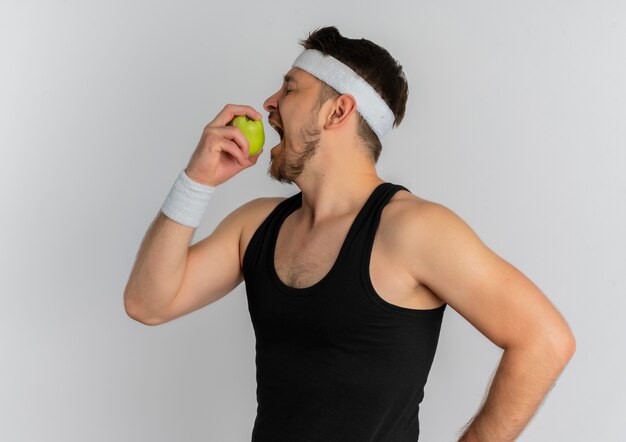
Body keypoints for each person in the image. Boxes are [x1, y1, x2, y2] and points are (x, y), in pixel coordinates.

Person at [124, 26, 576, 442]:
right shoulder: (257, 225)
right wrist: (196, 180)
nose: (269, 103)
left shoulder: (414, 230)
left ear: (338, 110)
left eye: (290, 88)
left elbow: (545, 341)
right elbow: (148, 303)